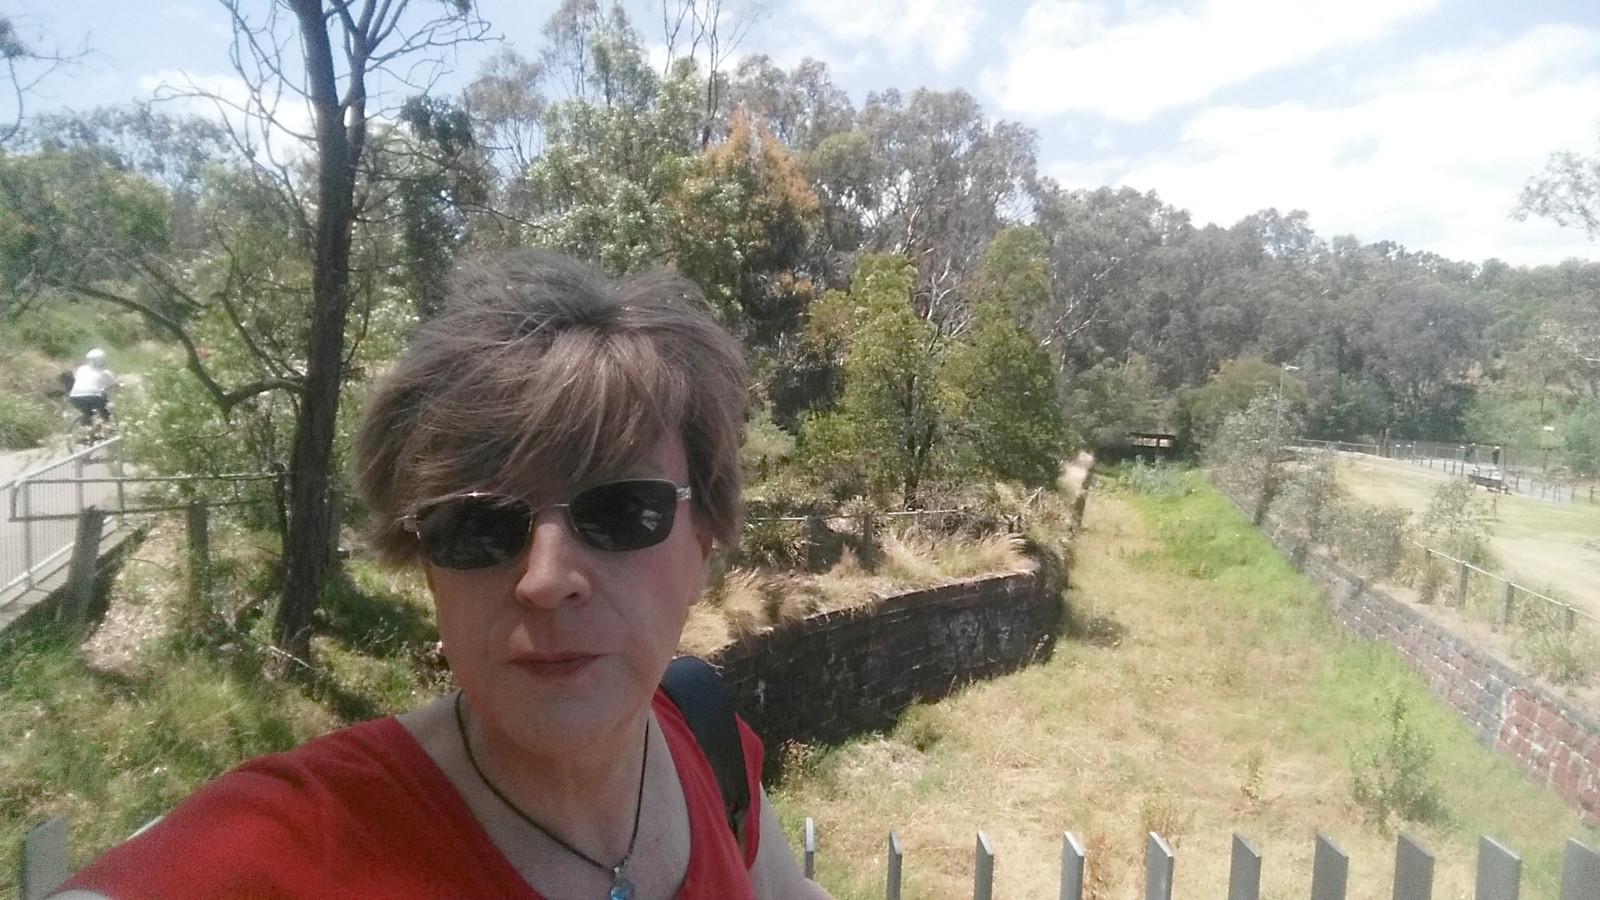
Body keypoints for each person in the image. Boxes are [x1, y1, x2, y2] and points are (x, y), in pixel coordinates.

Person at [58, 251, 830, 899]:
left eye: (622, 510)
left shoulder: (707, 740)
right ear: (427, 570)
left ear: (705, 539)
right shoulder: (305, 844)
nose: (546, 578)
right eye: (477, 526)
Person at [68, 348, 118, 428]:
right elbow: (113, 384)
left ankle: (87, 431)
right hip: (94, 396)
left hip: (75, 397)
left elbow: (79, 379)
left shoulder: (81, 369)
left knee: (88, 413)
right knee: (105, 411)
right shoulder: (105, 372)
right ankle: (108, 429)